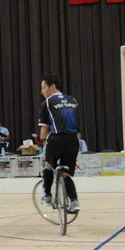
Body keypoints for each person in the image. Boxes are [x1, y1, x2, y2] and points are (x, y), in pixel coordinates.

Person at [38, 74, 81, 213]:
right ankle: (74, 202)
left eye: (43, 88)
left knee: (48, 165)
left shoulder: (47, 103)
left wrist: (41, 139)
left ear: (52, 87)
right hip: (73, 140)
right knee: (66, 174)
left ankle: (47, 196)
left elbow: (44, 130)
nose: (42, 92)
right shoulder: (73, 100)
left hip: (56, 139)